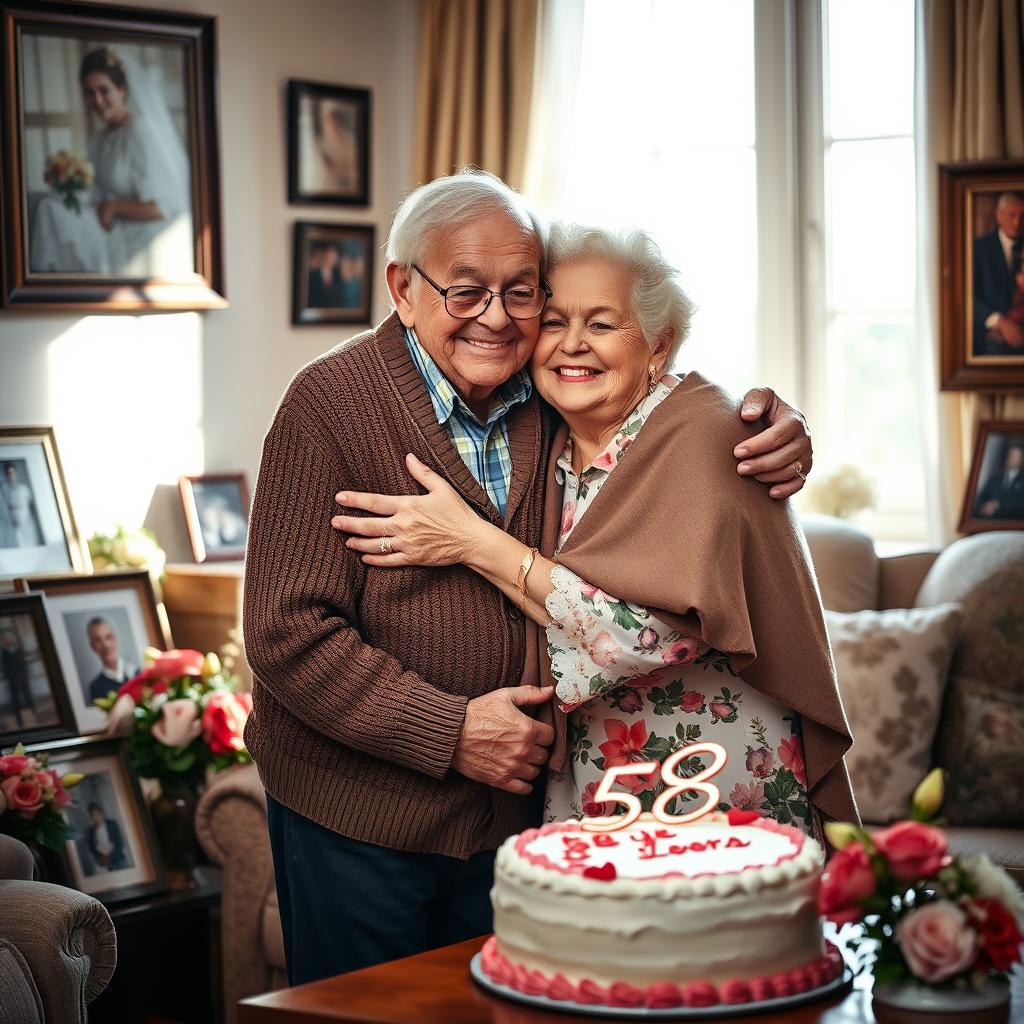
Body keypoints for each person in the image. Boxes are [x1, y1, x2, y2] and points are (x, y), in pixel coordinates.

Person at [243, 170, 817, 986]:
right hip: (359, 814)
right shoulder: (328, 406)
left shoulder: (547, 392)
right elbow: (285, 635)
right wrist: (451, 732)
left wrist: (773, 426)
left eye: (522, 294)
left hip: (515, 822)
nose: (499, 318)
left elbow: (660, 403)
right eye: (466, 290)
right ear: (403, 288)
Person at [332, 221, 856, 841]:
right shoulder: (549, 441)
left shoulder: (712, 437)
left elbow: (642, 635)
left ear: (659, 345)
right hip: (594, 777)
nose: (571, 345)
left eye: (603, 325)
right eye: (553, 322)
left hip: (708, 776)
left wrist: (472, 541)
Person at [30, 46, 192, 276]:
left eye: (103, 90)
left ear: (122, 88)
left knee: (50, 214)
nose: (97, 100)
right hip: (109, 225)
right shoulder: (99, 139)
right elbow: (97, 192)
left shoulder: (139, 132)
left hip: (138, 236)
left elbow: (162, 208)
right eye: (89, 92)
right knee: (48, 207)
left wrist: (114, 207)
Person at [973, 192, 1024, 356]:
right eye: (1012, 215)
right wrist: (999, 321)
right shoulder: (978, 248)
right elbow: (968, 296)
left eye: (1022, 216)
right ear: (999, 216)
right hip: (991, 338)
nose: (1017, 223)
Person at [85, 617, 139, 705]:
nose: (105, 645)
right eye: (98, 640)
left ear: (115, 639)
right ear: (92, 646)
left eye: (108, 637)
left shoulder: (138, 672)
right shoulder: (95, 688)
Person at [977, 442, 1024, 520]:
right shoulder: (995, 478)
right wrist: (985, 506)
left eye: (1016, 457)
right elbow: (982, 497)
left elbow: (1020, 503)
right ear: (1006, 458)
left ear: (1021, 459)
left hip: (1014, 522)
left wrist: (998, 506)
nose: (1012, 459)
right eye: (1010, 456)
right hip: (991, 521)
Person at [0, 464, 42, 548]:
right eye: (8, 473)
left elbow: (32, 508)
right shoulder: (4, 491)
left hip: (27, 526)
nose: (10, 475)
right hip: (14, 528)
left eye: (12, 472)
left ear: (16, 473)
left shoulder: (24, 489)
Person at [1, 630, 35, 728]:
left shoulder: (18, 650)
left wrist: (25, 673)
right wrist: (8, 676)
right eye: (5, 640)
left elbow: (23, 662)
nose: (7, 640)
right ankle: (19, 720)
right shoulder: (4, 653)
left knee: (27, 695)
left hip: (22, 677)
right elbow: (5, 666)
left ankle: (33, 713)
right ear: (4, 642)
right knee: (15, 699)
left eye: (9, 639)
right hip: (12, 679)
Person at [86, 801, 127, 871]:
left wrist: (110, 857)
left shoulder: (112, 824)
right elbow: (92, 849)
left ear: (102, 813)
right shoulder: (91, 832)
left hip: (118, 860)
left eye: (97, 814)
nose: (95, 817)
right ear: (90, 817)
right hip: (104, 864)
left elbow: (120, 843)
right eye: (93, 815)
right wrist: (100, 858)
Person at [307, 241, 347, 307]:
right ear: (324, 254)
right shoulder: (313, 274)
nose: (334, 257)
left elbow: (339, 297)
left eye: (335, 254)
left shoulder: (338, 275)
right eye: (331, 253)